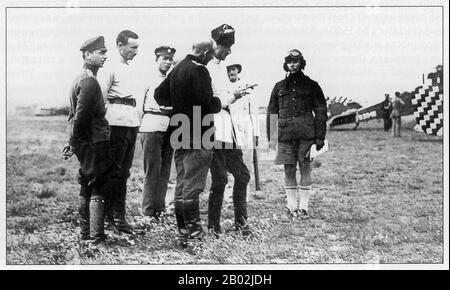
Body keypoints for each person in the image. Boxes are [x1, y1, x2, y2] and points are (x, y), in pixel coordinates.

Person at [169, 40, 221, 247]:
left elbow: (159, 94)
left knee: (182, 182)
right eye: (211, 55)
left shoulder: (177, 68)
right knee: (193, 183)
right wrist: (222, 102)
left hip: (179, 131)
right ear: (206, 53)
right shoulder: (200, 71)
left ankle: (183, 231)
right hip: (199, 132)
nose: (211, 58)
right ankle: (193, 232)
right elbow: (208, 103)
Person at [206, 23, 256, 237]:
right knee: (220, 179)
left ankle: (241, 223)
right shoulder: (206, 68)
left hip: (228, 125)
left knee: (242, 175)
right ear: (215, 44)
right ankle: (213, 227)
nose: (229, 50)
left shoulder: (220, 68)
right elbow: (211, 101)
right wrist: (233, 96)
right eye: (226, 46)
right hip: (213, 127)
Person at [266, 49, 327, 218]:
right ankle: (292, 207)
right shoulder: (279, 87)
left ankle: (304, 208)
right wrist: (271, 138)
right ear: (286, 64)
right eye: (289, 62)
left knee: (305, 168)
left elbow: (321, 110)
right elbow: (272, 112)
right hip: (285, 135)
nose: (292, 65)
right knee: (288, 170)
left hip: (306, 134)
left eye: (296, 61)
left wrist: (320, 136)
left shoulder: (312, 85)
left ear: (302, 63)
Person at [62, 36, 110, 248]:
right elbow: (80, 117)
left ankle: (85, 236)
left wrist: (72, 142)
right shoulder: (89, 81)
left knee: (86, 185)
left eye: (104, 52)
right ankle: (96, 240)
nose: (104, 56)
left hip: (85, 141)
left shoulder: (78, 79)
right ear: (87, 55)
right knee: (97, 185)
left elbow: (72, 116)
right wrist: (76, 142)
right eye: (100, 52)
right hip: (93, 141)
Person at [99, 30, 140, 234]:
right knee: (113, 172)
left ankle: (119, 218)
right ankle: (108, 221)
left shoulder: (129, 68)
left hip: (131, 122)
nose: (136, 51)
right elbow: (102, 99)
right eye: (132, 47)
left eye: (137, 48)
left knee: (124, 173)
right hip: (115, 124)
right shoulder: (110, 67)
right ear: (119, 45)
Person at [139, 46, 176, 220]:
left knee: (165, 170)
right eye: (164, 59)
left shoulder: (171, 79)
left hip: (169, 126)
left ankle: (159, 209)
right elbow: (140, 106)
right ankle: (147, 211)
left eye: (170, 59)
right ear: (156, 59)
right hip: (151, 125)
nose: (167, 62)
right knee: (152, 170)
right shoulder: (147, 78)